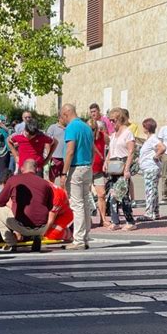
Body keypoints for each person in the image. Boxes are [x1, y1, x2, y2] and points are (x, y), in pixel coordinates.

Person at [0, 158, 53, 252]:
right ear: (37, 170)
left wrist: (11, 205)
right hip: (42, 227)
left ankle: (11, 243)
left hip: (22, 226)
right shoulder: (45, 183)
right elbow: (50, 207)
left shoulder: (13, 180)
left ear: (21, 169)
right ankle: (37, 237)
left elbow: (0, 202)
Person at [60, 103, 94, 250]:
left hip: (76, 168)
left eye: (63, 117)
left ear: (66, 114)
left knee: (77, 205)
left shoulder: (71, 128)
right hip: (87, 167)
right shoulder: (87, 127)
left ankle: (79, 240)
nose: (63, 120)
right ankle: (85, 237)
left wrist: (63, 172)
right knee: (85, 204)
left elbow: (70, 151)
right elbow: (92, 150)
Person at [105, 107, 136, 230]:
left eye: (113, 120)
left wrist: (127, 169)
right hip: (113, 167)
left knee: (123, 195)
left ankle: (130, 221)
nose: (111, 123)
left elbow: (131, 151)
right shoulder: (113, 135)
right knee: (112, 195)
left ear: (119, 119)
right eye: (110, 120)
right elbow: (110, 150)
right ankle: (115, 221)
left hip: (122, 165)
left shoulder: (127, 133)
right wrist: (106, 161)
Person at [138, 118, 166, 221]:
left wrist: (156, 156)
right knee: (153, 190)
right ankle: (155, 212)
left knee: (149, 190)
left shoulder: (153, 138)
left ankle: (149, 213)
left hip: (151, 168)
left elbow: (162, 147)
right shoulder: (149, 139)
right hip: (149, 168)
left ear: (147, 128)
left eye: (144, 126)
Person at [88, 118, 108, 227]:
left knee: (102, 194)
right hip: (87, 168)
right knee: (86, 195)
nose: (91, 131)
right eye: (89, 129)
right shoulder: (85, 136)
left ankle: (103, 219)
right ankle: (88, 219)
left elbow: (110, 144)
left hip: (99, 169)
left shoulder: (102, 135)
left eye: (93, 129)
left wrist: (107, 160)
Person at [46, 116, 66, 182]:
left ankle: (62, 192)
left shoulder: (68, 128)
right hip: (55, 157)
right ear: (59, 118)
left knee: (64, 179)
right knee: (52, 179)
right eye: (63, 117)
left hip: (65, 158)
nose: (65, 119)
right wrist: (50, 157)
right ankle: (52, 191)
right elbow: (47, 142)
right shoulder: (53, 127)